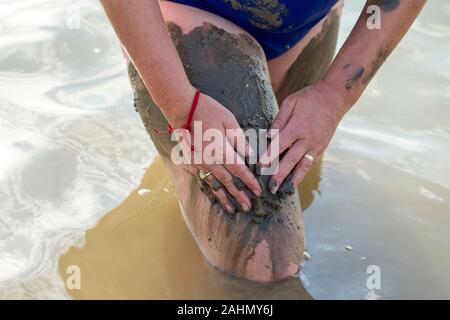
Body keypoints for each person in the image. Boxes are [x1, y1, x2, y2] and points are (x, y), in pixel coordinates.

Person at [100, 0, 426, 282]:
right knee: (268, 262)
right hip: (191, 14)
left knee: (299, 182)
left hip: (307, 22)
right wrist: (180, 104)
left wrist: (333, 96)